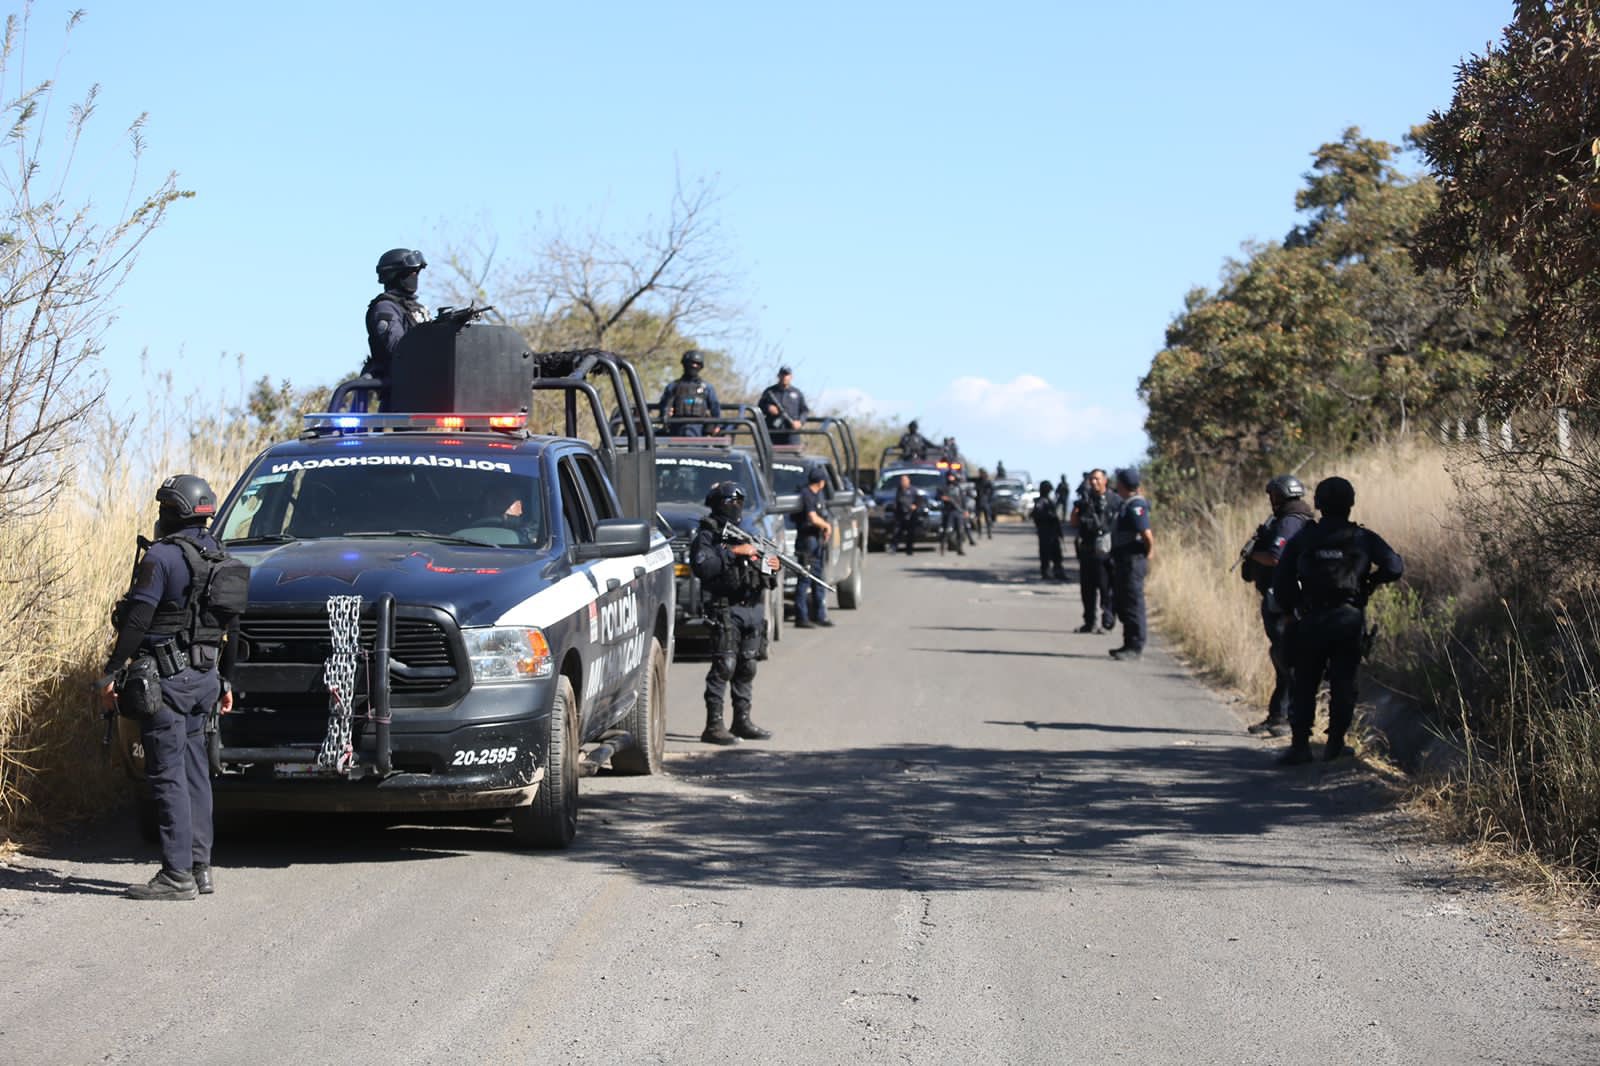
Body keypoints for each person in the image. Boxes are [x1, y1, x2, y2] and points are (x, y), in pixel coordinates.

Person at [98, 475, 244, 900]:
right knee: (197, 771)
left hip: (166, 682)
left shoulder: (161, 557)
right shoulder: (220, 555)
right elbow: (234, 628)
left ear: (173, 512)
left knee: (167, 775)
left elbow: (137, 620)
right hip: (205, 680)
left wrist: (111, 672)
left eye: (163, 507)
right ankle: (200, 868)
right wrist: (226, 680)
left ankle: (176, 875)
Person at [1272, 477, 1404, 764]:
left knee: (1305, 681)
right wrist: (1371, 581)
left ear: (1318, 504)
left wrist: (1295, 607)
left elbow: (1281, 581)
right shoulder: (1362, 537)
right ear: (1350, 503)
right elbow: (1395, 566)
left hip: (1311, 619)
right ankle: (1335, 744)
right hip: (1348, 619)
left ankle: (1300, 746)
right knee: (1344, 683)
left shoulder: (1304, 538)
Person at [691, 482, 781, 744]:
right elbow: (704, 566)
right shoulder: (708, 534)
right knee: (724, 666)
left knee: (747, 666)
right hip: (725, 608)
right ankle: (713, 726)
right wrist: (734, 553)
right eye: (731, 502)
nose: (736, 507)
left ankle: (742, 721)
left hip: (751, 607)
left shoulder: (747, 532)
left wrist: (770, 564)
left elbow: (768, 573)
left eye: (739, 502)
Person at [1241, 474, 1315, 737]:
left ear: (1280, 496)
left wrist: (1252, 554)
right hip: (1284, 598)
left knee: (1286, 658)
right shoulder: (1294, 518)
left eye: (1273, 495)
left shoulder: (1289, 521)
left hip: (1284, 601)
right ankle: (1278, 716)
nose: (1270, 500)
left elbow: (1275, 557)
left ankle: (1288, 719)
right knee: (1282, 656)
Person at [362, 248, 428, 395]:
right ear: (394, 275)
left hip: (425, 387)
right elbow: (398, 349)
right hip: (399, 393)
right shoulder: (385, 308)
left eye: (417, 273)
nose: (415, 276)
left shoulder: (417, 309)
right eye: (411, 272)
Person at [1108, 468, 1153, 661]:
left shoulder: (1136, 506)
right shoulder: (1126, 504)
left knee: (1133, 603)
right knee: (1125, 602)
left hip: (1133, 561)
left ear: (1123, 484)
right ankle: (1128, 644)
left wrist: (1148, 554)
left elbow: (1146, 534)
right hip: (1124, 561)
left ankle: (1135, 646)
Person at [1070, 468, 1117, 634]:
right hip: (1087, 550)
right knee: (1087, 590)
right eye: (1092, 479)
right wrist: (1078, 508)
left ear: (1105, 480)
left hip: (1105, 552)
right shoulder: (1085, 500)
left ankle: (1107, 620)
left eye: (1097, 479)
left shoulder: (1114, 500)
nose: (1094, 482)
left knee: (1106, 588)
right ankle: (1089, 622)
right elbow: (1074, 523)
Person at [793, 463, 834, 627]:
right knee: (805, 578)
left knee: (818, 578)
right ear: (821, 482)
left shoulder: (818, 495)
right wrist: (826, 526)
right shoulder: (807, 495)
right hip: (807, 541)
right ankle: (801, 617)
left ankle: (819, 615)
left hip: (817, 540)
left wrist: (824, 528)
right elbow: (812, 517)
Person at [659, 350, 722, 436]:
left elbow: (715, 407)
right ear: (685, 364)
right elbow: (664, 405)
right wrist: (666, 414)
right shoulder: (673, 386)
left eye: (697, 364)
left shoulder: (706, 387)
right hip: (676, 428)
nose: (694, 366)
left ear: (700, 366)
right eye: (691, 363)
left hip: (698, 429)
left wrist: (717, 425)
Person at [757, 365, 810, 445]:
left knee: (792, 452)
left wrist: (800, 422)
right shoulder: (769, 391)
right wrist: (768, 407)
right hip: (772, 432)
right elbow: (759, 407)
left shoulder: (797, 393)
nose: (784, 377)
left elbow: (805, 411)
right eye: (782, 374)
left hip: (791, 433)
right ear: (778, 376)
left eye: (787, 375)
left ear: (791, 377)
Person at [1031, 480, 1067, 580]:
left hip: (1052, 531)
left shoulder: (1048, 501)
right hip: (1045, 531)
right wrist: (1049, 517)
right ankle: (1046, 572)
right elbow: (1036, 515)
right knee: (1045, 553)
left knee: (1056, 553)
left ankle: (1058, 571)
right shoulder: (1041, 502)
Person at [937, 472, 968, 556]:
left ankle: (960, 548)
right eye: (949, 476)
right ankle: (942, 547)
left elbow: (963, 499)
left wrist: (965, 510)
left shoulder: (958, 487)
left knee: (960, 531)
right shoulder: (944, 487)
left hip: (958, 511)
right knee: (947, 530)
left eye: (952, 476)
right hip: (948, 511)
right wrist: (943, 498)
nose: (951, 478)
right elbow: (938, 496)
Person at [892, 474, 921, 555]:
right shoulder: (899, 490)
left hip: (911, 514)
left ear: (908, 481)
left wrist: (915, 506)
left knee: (910, 533)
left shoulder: (914, 490)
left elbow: (919, 500)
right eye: (902, 480)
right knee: (897, 532)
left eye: (905, 480)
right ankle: (894, 548)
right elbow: (897, 501)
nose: (903, 482)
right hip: (901, 514)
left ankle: (909, 549)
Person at [972, 468, 996, 539]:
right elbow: (974, 489)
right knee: (978, 519)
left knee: (987, 519)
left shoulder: (988, 482)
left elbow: (992, 491)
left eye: (981, 473)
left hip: (985, 502)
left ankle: (989, 533)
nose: (980, 474)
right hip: (979, 502)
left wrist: (989, 499)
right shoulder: (977, 481)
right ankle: (980, 533)